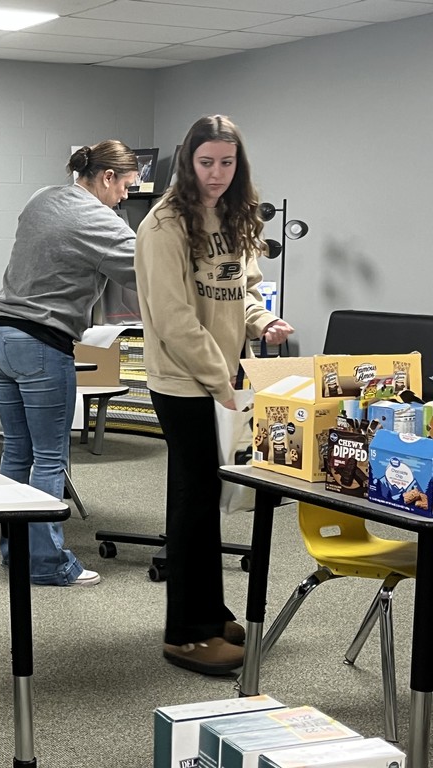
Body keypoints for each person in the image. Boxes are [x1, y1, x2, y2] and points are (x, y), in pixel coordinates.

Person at [135, 115, 294, 675]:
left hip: (222, 380)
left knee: (208, 497)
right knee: (194, 502)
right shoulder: (164, 225)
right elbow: (174, 318)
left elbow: (240, 291)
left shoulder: (234, 215)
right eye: (207, 162)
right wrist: (219, 381)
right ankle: (186, 633)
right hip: (184, 381)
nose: (217, 174)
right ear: (188, 161)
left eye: (227, 162)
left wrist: (262, 322)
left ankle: (209, 611)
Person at [0, 141, 139, 586]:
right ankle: (48, 564)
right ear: (107, 177)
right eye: (125, 185)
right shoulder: (97, 218)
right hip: (40, 342)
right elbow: (150, 269)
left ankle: (15, 552)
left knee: (17, 451)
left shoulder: (42, 197)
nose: (126, 196)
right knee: (50, 458)